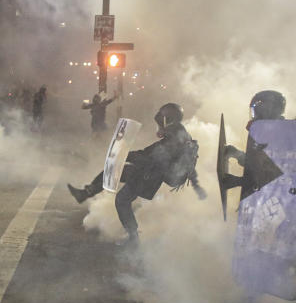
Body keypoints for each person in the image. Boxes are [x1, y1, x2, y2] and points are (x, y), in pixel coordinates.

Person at [67, 102, 207, 245]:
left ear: (168, 119)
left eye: (161, 120)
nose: (159, 124)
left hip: (150, 176)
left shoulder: (174, 139)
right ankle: (84, 193)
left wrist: (126, 155)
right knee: (114, 170)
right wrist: (125, 154)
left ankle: (133, 238)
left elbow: (150, 158)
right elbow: (151, 152)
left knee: (122, 200)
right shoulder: (178, 133)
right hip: (150, 171)